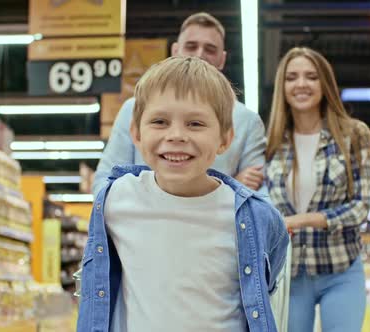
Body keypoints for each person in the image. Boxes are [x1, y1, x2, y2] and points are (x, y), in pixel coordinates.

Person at [77, 56, 290, 332]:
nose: (176, 135)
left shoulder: (256, 217)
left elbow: (267, 276)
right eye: (160, 121)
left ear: (225, 138)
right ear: (136, 134)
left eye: (195, 124)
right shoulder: (115, 201)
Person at [92, 12, 266, 198]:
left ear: (222, 59)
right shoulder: (132, 109)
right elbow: (104, 183)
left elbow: (259, 193)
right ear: (175, 51)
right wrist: (233, 185)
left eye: (210, 49)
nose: (200, 54)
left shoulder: (247, 121)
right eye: (191, 46)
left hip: (216, 225)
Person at [264, 47, 370, 332]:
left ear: (324, 84)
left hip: (341, 268)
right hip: (290, 272)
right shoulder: (272, 143)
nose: (301, 84)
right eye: (292, 77)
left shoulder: (353, 134)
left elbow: (361, 206)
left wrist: (302, 220)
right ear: (283, 87)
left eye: (311, 77)